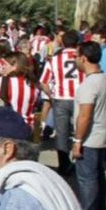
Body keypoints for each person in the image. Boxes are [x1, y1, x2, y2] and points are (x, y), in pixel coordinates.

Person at [72, 41, 106, 210]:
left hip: (90, 138)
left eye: (76, 56)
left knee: (87, 179)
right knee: (99, 175)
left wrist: (77, 140)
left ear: (83, 58)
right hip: (103, 134)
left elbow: (85, 115)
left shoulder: (89, 85)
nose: (74, 60)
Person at [39, 28, 84, 175]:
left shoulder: (54, 60)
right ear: (77, 43)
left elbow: (43, 81)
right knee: (81, 130)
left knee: (62, 132)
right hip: (80, 98)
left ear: (62, 43)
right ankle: (81, 162)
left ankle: (63, 164)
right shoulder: (82, 58)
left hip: (61, 98)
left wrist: (51, 95)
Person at [0, 51, 40, 127]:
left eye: (5, 64)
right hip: (27, 126)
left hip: (5, 125)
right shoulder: (33, 84)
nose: (2, 67)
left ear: (15, 66)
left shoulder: (0, 82)